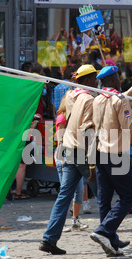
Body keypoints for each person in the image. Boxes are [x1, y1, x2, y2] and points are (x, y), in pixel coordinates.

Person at [39, 64, 98, 255]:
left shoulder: (71, 95)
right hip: (80, 151)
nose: (97, 81)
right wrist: (91, 164)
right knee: (102, 191)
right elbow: (87, 130)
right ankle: (108, 234)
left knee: (64, 197)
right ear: (88, 80)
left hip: (68, 149)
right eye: (94, 77)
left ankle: (49, 239)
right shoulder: (88, 99)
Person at [90, 66, 132, 257]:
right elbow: (130, 126)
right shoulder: (120, 100)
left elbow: (114, 99)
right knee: (128, 195)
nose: (118, 79)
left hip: (100, 152)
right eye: (117, 76)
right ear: (113, 79)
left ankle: (110, 242)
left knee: (104, 198)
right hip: (117, 152)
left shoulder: (98, 98)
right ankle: (104, 230)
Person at [54, 94, 89, 232]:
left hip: (75, 155)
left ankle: (75, 220)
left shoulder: (74, 117)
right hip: (65, 156)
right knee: (66, 192)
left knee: (79, 190)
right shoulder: (63, 117)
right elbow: (61, 139)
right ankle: (60, 223)